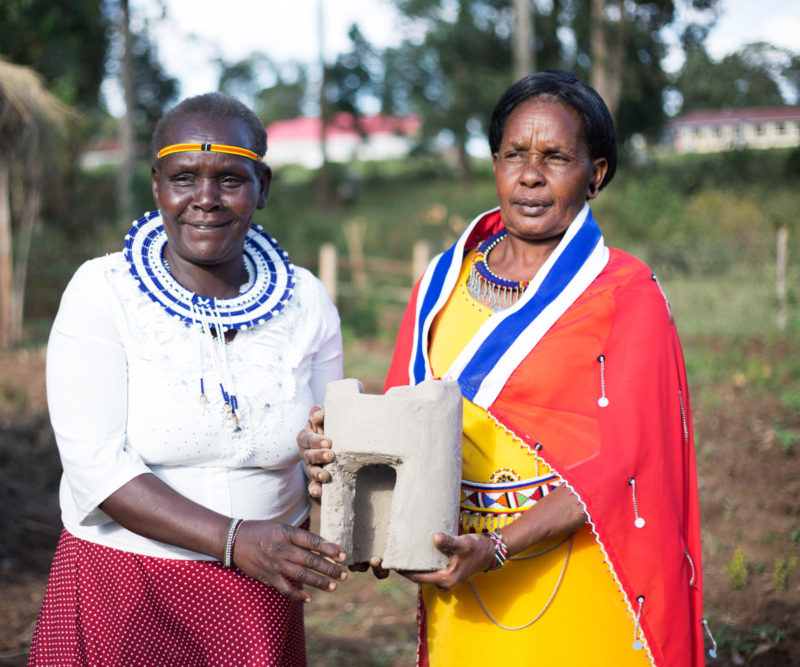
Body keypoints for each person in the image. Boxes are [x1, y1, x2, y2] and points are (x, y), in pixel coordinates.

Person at [299, 71, 708, 666]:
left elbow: (628, 463)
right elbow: (402, 430)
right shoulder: (443, 282)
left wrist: (496, 547)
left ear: (595, 174)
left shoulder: (625, 294)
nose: (531, 174)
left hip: (580, 581)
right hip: (456, 581)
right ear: (495, 163)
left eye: (556, 157)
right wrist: (339, 455)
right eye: (514, 153)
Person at [29, 92, 349, 667]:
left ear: (263, 186)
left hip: (261, 593)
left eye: (230, 178)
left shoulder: (306, 301)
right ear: (157, 185)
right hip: (124, 589)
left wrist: (330, 476)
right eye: (184, 178)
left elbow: (327, 449)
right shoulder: (103, 292)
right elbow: (95, 467)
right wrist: (235, 541)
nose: (205, 199)